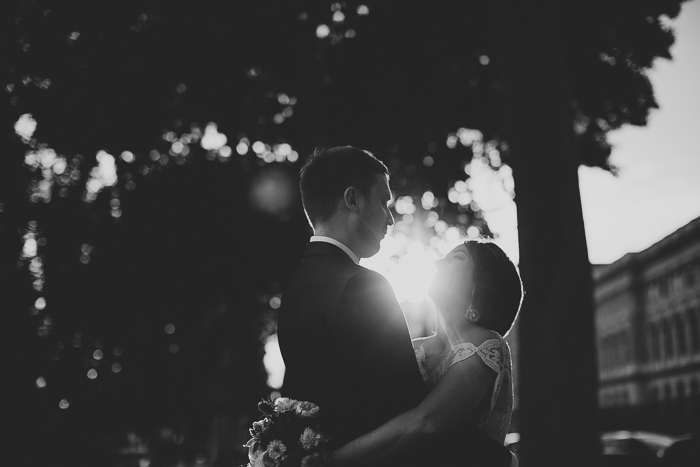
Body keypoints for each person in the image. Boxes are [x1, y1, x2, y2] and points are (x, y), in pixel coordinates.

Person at [277, 146, 516, 467]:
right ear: (352, 200)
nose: (390, 217)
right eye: (383, 202)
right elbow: (408, 412)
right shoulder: (362, 285)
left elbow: (299, 403)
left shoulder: (294, 291)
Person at [332, 240, 523, 466]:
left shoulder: (486, 343)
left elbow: (427, 422)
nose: (437, 261)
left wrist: (331, 460)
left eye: (457, 257)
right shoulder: (414, 347)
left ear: (481, 285)